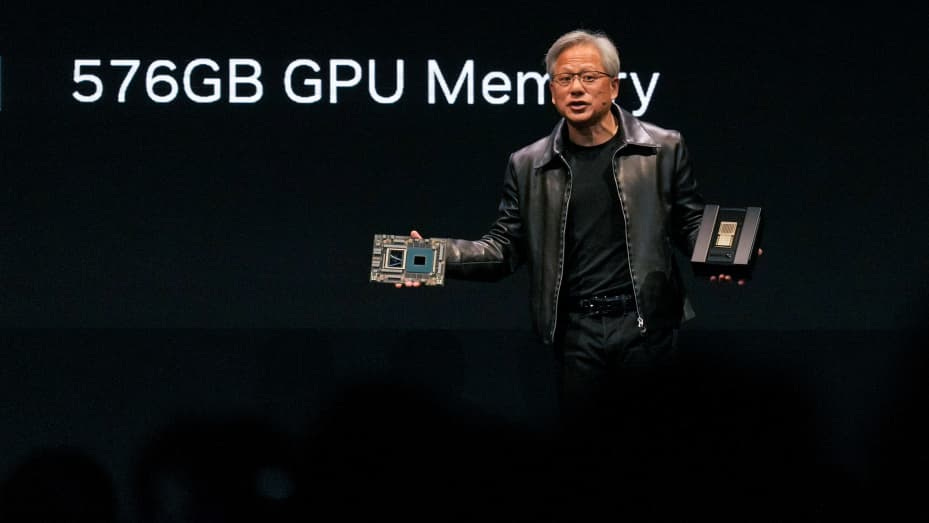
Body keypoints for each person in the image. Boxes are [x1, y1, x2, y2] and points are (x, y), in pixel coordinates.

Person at [397, 30, 757, 508]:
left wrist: (724, 257)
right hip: (577, 331)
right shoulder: (528, 165)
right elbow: (503, 249)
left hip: (645, 323)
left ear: (614, 86)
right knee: (588, 463)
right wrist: (435, 257)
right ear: (550, 91)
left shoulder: (662, 148)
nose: (576, 88)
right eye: (564, 79)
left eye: (588, 77)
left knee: (658, 457)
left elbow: (689, 222)